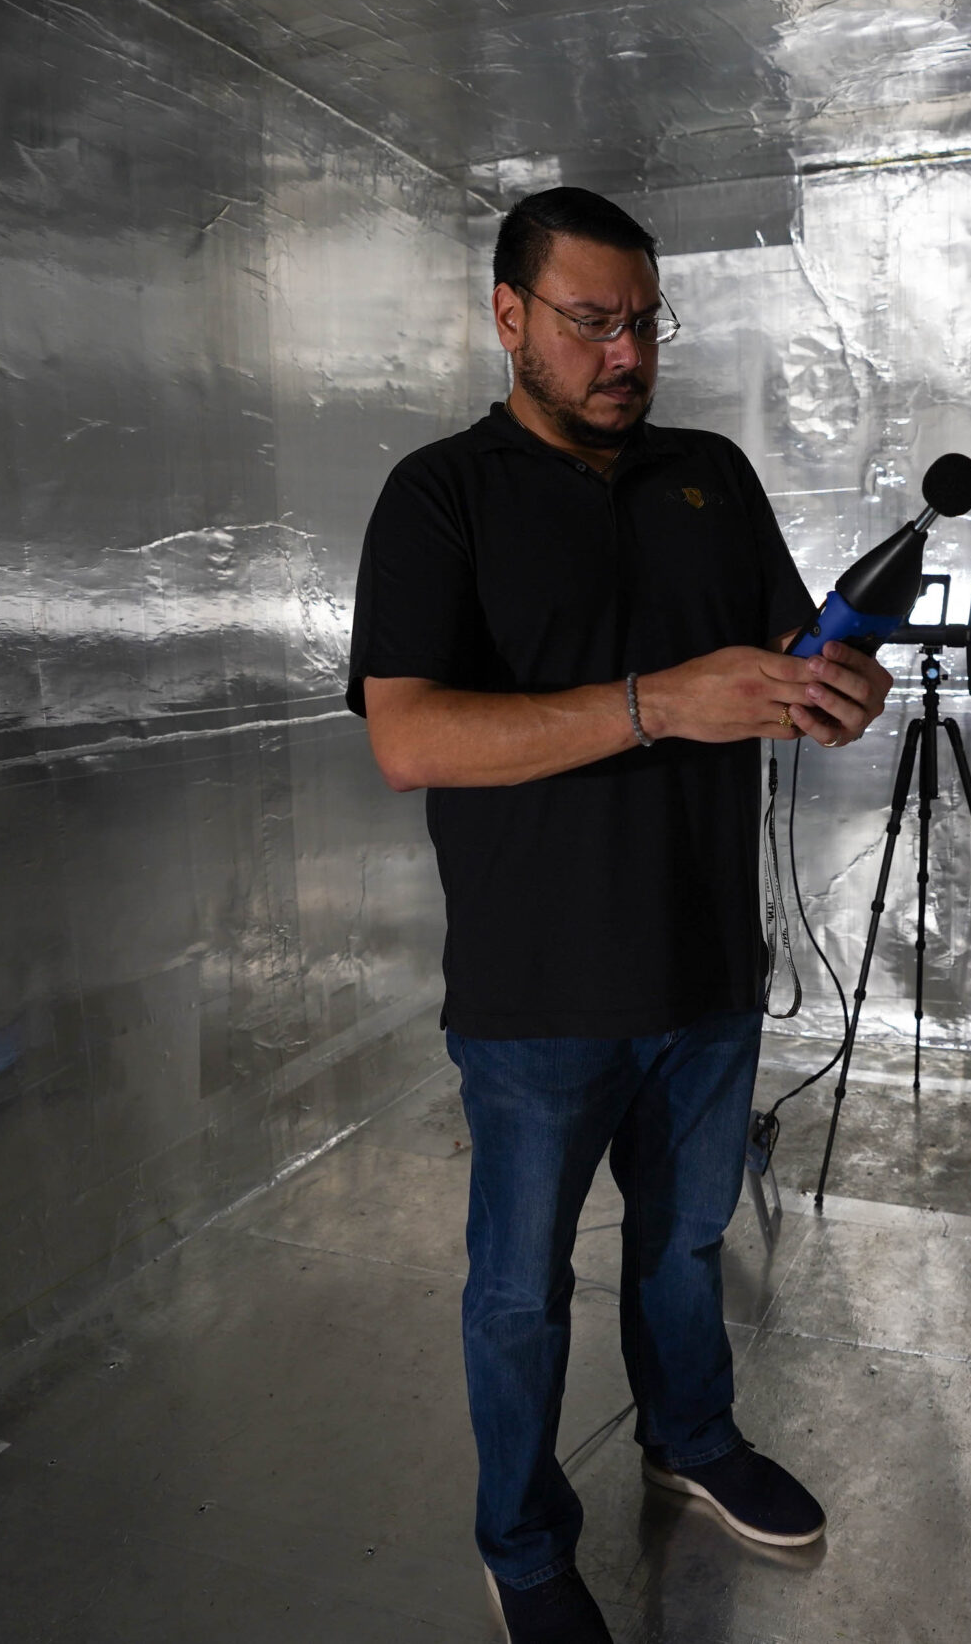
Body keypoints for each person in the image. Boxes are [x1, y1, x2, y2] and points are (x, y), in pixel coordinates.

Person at [345, 188, 894, 1644]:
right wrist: (660, 703)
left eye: (643, 321)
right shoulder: (436, 496)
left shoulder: (708, 473)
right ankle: (524, 1544)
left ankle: (689, 1438)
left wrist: (825, 686)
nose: (624, 351)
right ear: (510, 317)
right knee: (522, 1294)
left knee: (685, 1245)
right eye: (591, 320)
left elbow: (773, 656)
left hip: (706, 967)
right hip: (536, 992)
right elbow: (410, 737)